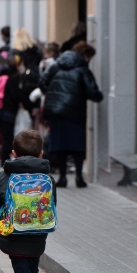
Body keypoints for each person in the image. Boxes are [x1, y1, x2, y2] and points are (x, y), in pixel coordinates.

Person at [0, 129, 57, 273]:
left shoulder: (4, 177)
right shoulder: (47, 178)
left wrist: (4, 219)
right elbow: (52, 204)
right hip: (38, 234)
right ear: (41, 154)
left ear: (14, 153)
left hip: (14, 236)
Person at [40, 41, 103, 187]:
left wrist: (53, 95)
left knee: (60, 145)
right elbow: (92, 91)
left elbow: (42, 83)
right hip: (75, 112)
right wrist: (98, 96)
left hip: (55, 111)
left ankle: (62, 177)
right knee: (77, 146)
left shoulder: (54, 66)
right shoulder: (82, 69)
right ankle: (79, 178)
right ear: (85, 55)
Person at [0, 50, 37, 165]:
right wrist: (27, 104)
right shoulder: (13, 79)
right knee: (9, 137)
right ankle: (4, 159)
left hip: (6, 111)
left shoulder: (7, 77)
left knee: (8, 136)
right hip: (9, 112)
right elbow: (16, 95)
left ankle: (4, 158)